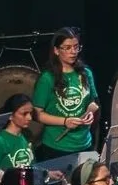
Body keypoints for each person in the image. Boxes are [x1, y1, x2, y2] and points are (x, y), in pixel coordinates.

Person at [29, 26, 99, 160]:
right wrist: (65, 121)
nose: (73, 52)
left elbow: (92, 102)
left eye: (76, 47)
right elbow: (36, 114)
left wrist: (90, 112)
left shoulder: (86, 73)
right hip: (57, 146)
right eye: (67, 48)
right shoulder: (47, 78)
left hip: (85, 143)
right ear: (56, 50)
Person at [0, 94, 40, 185]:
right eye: (24, 114)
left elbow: (32, 169)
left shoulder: (27, 136)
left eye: (30, 113)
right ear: (10, 115)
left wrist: (47, 174)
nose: (29, 117)